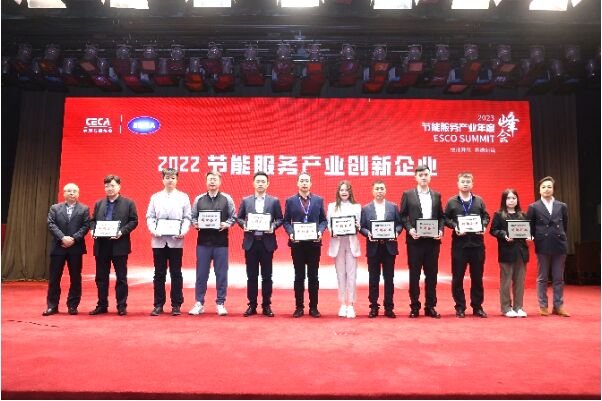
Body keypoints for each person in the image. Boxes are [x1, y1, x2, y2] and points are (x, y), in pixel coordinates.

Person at [399, 165, 445, 319]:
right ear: (416, 177)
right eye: (420, 175)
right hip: (415, 241)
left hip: (432, 242)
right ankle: (414, 307)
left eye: (426, 174)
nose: (424, 177)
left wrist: (440, 230)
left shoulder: (436, 195)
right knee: (414, 275)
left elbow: (441, 217)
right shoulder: (408, 194)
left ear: (430, 176)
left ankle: (430, 307)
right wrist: (410, 229)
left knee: (432, 275)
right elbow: (402, 216)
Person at [189, 170, 236, 316]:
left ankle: (220, 303)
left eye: (215, 179)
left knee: (221, 274)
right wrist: (195, 224)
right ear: (206, 181)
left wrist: (226, 224)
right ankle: (199, 303)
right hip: (203, 243)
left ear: (220, 182)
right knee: (201, 274)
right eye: (210, 179)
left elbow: (234, 217)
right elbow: (192, 217)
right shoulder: (199, 199)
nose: (212, 181)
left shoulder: (227, 199)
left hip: (221, 243)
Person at [89, 175, 138, 316]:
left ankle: (121, 306)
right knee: (101, 277)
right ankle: (102, 305)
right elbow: (93, 220)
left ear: (119, 186)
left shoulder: (128, 203)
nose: (109, 188)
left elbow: (134, 221)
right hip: (101, 245)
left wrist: (121, 232)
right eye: (106, 186)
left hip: (119, 244)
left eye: (112, 185)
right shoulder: (99, 203)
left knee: (121, 277)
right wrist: (92, 230)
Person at [236, 171, 283, 317]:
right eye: (258, 181)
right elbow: (239, 218)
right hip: (251, 243)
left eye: (263, 181)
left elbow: (280, 219)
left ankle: (266, 305)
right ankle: (252, 305)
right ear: (253, 183)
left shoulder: (274, 201)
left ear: (268, 184)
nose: (260, 184)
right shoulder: (246, 200)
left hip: (266, 243)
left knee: (267, 276)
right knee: (251, 276)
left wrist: (273, 226)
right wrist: (244, 225)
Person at [146, 168, 191, 317]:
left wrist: (183, 231)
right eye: (167, 177)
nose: (170, 180)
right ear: (163, 180)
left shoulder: (183, 197)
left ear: (177, 180)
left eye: (173, 178)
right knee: (159, 273)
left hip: (176, 241)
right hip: (158, 240)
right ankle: (158, 304)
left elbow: (187, 218)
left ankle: (176, 304)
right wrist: (153, 230)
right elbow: (150, 216)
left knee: (176, 273)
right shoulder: (155, 197)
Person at [444, 172, 490, 318]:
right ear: (458, 184)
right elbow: (445, 219)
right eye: (463, 181)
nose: (465, 184)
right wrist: (455, 227)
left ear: (472, 184)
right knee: (457, 278)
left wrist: (483, 226)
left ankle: (477, 307)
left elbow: (486, 216)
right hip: (460, 246)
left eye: (468, 181)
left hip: (477, 245)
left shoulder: (479, 201)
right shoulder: (452, 202)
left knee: (477, 277)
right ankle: (460, 307)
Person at [283, 172, 328, 318]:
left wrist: (320, 231)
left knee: (313, 276)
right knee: (299, 276)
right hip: (297, 244)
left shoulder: (318, 200)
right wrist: (291, 233)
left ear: (310, 183)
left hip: (314, 244)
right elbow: (286, 221)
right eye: (301, 181)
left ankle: (314, 307)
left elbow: (324, 220)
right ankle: (299, 307)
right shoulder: (290, 201)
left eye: (306, 181)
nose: (304, 183)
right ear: (297, 183)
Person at [42, 183, 90, 316]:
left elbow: (86, 226)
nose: (72, 193)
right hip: (58, 247)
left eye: (74, 191)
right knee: (54, 278)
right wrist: (62, 238)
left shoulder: (84, 209)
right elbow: (51, 224)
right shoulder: (55, 208)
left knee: (75, 278)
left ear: (78, 194)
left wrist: (73, 239)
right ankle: (52, 306)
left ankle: (73, 306)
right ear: (64, 193)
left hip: (76, 248)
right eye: (69, 191)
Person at [526, 176, 570, 317]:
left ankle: (558, 306)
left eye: (549, 187)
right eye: (543, 187)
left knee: (558, 278)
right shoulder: (533, 207)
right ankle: (543, 306)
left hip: (559, 243)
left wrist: (559, 235)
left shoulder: (562, 206)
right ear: (539, 190)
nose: (546, 189)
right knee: (542, 277)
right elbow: (529, 226)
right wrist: (531, 237)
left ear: (553, 189)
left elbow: (565, 225)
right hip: (542, 243)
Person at [359, 180, 403, 318]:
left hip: (389, 248)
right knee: (373, 279)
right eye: (377, 189)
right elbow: (361, 227)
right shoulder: (366, 208)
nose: (379, 191)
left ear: (385, 190)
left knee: (389, 279)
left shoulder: (393, 207)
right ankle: (373, 307)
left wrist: (396, 232)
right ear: (373, 191)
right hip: (373, 248)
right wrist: (368, 233)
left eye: (382, 188)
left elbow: (399, 224)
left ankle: (389, 307)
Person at [490, 189, 529, 318]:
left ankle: (519, 307)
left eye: (514, 198)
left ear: (517, 200)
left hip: (521, 252)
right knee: (506, 282)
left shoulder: (523, 215)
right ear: (504, 200)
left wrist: (529, 236)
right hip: (506, 252)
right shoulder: (499, 215)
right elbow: (493, 230)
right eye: (508, 198)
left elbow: (528, 231)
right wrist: (503, 235)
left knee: (519, 282)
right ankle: (506, 308)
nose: (511, 200)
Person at [327, 180, 362, 319]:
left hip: (351, 243)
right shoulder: (331, 206)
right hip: (338, 243)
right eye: (341, 190)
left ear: (350, 192)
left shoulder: (357, 207)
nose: (344, 192)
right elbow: (329, 225)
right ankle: (342, 304)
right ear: (338, 192)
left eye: (346, 190)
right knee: (340, 275)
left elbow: (358, 225)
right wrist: (332, 231)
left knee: (352, 275)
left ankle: (351, 305)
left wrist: (357, 226)